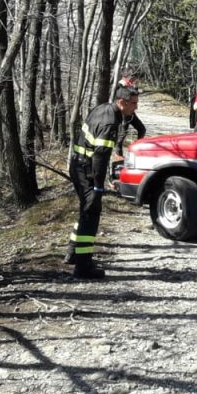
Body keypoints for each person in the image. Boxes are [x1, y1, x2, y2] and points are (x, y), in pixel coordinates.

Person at [65, 85, 140, 279]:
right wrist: (99, 186)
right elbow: (100, 157)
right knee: (92, 212)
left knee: (85, 210)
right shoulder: (110, 123)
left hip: (78, 164)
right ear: (121, 102)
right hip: (86, 169)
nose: (136, 108)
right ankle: (83, 266)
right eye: (133, 103)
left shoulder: (102, 108)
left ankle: (72, 252)